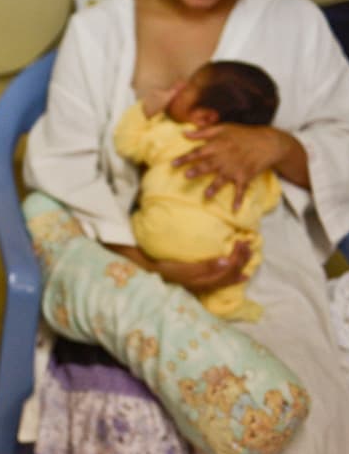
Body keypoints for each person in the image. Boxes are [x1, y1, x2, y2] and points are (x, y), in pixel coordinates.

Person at [23, 0, 349, 454]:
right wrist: (146, 261)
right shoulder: (101, 30)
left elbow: (348, 143)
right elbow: (66, 161)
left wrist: (279, 146)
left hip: (258, 258)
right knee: (150, 423)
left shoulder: (294, 23)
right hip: (123, 250)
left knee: (290, 424)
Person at [115, 60, 282, 321]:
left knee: (131, 216)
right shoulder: (250, 165)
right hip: (216, 254)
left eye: (189, 86)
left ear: (204, 117)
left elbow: (127, 143)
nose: (178, 85)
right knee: (248, 240)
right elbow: (269, 199)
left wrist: (145, 110)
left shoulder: (173, 134)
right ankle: (225, 305)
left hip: (154, 237)